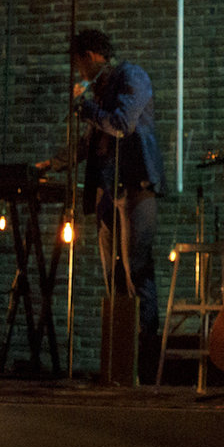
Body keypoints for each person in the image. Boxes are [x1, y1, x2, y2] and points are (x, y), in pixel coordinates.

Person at [69, 29, 162, 380]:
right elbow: (92, 142)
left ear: (91, 56)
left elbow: (123, 124)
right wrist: (55, 163)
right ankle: (121, 366)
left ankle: (148, 370)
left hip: (134, 187)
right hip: (108, 191)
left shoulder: (131, 77)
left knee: (136, 273)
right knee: (113, 278)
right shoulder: (100, 91)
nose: (78, 72)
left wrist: (87, 108)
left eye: (79, 63)